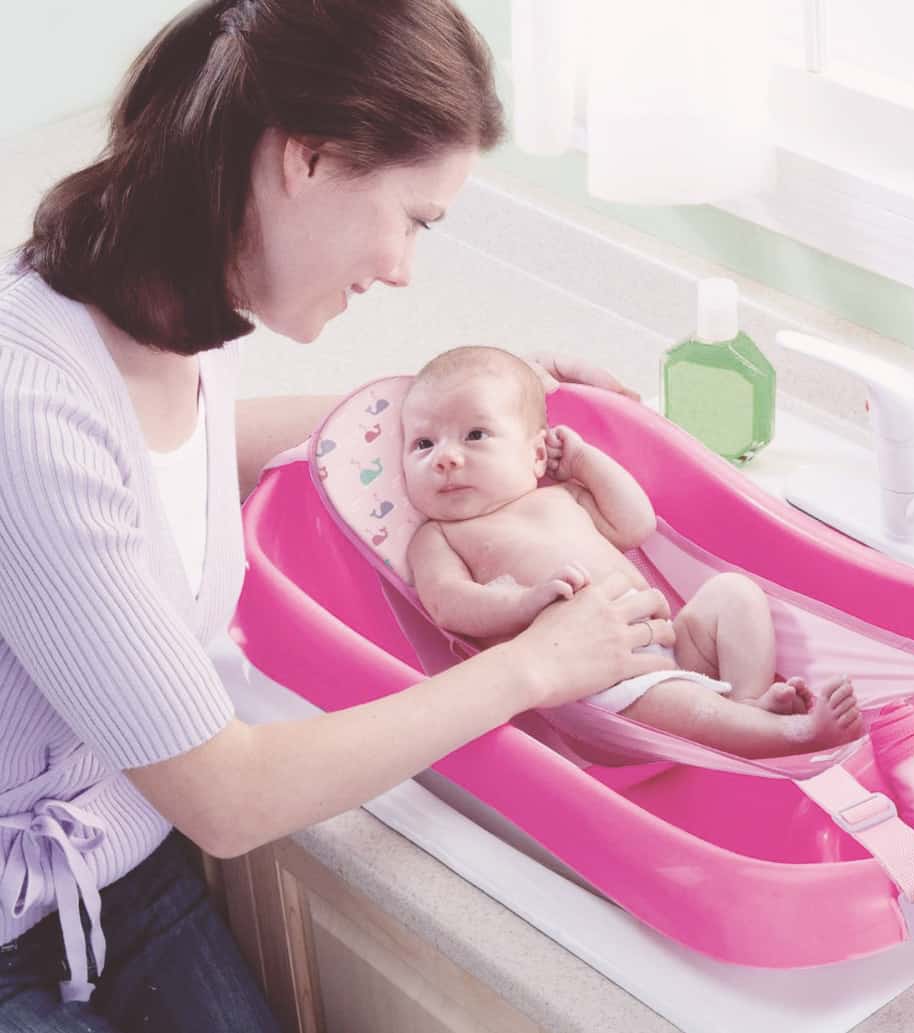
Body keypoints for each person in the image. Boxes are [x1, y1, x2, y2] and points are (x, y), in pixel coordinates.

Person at [0, 2, 674, 1029]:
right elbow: (227, 797)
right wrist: (535, 666)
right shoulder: (25, 413)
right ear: (306, 160)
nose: (405, 267)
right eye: (415, 217)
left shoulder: (175, 300)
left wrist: (460, 412)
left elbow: (179, 451)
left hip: (122, 852)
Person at [402, 347, 866, 759]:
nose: (446, 458)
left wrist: (585, 462)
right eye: (423, 444)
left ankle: (746, 705)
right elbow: (448, 604)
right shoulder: (440, 536)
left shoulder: (562, 496)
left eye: (475, 435)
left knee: (734, 593)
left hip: (670, 646)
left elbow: (636, 523)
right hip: (598, 687)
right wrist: (523, 603)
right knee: (678, 701)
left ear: (537, 456)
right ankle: (790, 735)